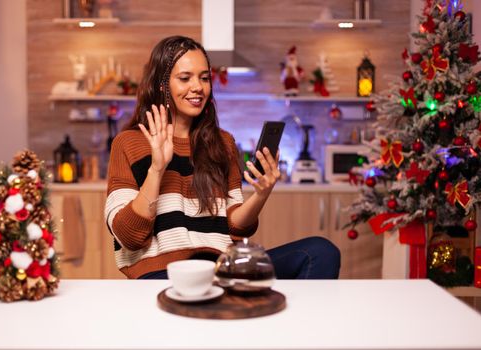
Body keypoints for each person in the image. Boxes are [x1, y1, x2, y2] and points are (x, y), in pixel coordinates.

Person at [104, 36, 340, 279]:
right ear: (162, 84)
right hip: (164, 274)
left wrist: (262, 192)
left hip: (222, 268)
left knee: (320, 251)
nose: (198, 87)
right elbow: (128, 237)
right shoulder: (129, 143)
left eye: (204, 78)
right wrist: (157, 169)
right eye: (185, 78)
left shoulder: (222, 143)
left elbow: (236, 229)